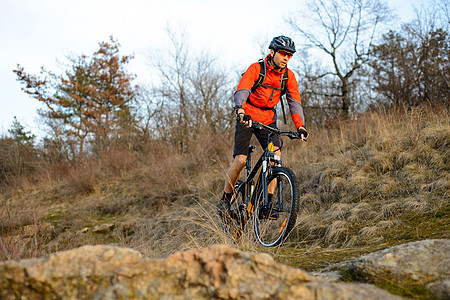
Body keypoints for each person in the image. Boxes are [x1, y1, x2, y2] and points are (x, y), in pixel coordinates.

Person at [218, 35, 308, 217]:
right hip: (248, 116)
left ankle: (267, 202)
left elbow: (294, 102)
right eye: (283, 53)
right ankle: (225, 200)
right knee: (241, 160)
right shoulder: (256, 69)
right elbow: (242, 89)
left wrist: (300, 126)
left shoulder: (288, 77)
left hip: (267, 120)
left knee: (275, 157)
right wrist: (240, 110)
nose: (286, 58)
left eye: (289, 55)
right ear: (272, 52)